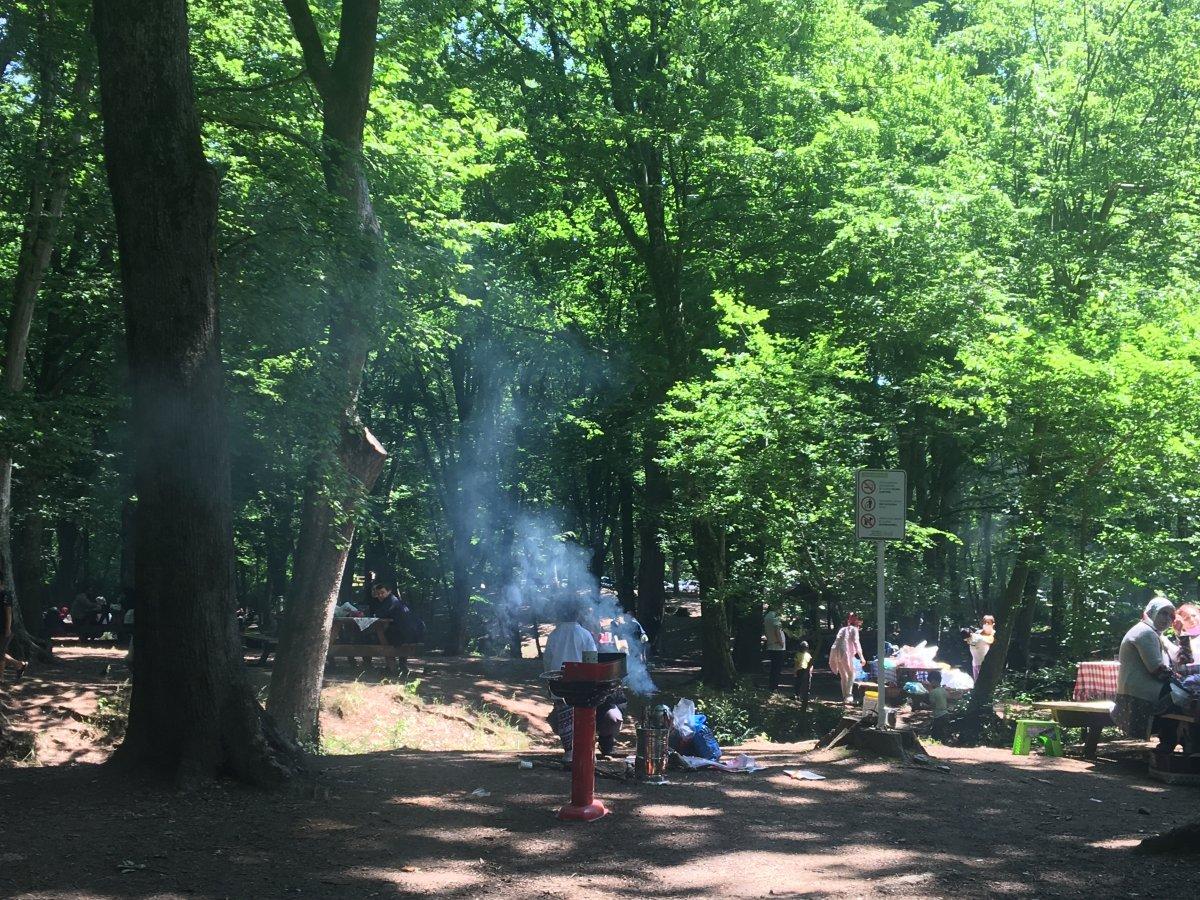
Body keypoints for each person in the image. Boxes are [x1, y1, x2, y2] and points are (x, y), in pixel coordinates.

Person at [543, 598, 623, 763]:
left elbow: (548, 660)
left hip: (560, 683)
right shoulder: (584, 634)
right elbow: (591, 660)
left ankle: (569, 751)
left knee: (565, 717)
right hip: (582, 684)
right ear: (578, 614)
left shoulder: (554, 635)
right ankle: (586, 749)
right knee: (583, 717)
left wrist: (550, 680)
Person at [1114, 597, 1176, 754]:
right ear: (1152, 612)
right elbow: (1157, 670)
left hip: (1138, 686)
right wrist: (1180, 679)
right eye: (1163, 613)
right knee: (1182, 698)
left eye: (1171, 615)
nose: (1167, 618)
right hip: (1140, 690)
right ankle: (1171, 743)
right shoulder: (1145, 633)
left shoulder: (1152, 632)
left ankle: (1170, 742)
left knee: (1183, 694)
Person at [829, 613, 865, 705]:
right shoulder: (854, 630)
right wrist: (862, 657)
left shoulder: (843, 629)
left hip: (835, 651)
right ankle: (849, 696)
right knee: (852, 674)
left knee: (844, 676)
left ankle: (845, 697)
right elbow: (856, 643)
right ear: (858, 622)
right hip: (843, 652)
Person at [1, 575, 27, 681]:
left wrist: (8, 628)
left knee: (0, 652)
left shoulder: (5, 595)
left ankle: (2, 676)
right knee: (1, 652)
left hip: (4, 628)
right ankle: (19, 665)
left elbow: (8, 612)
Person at [764, 605, 787, 691]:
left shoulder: (767, 616)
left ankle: (772, 686)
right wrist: (781, 642)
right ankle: (774, 687)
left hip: (771, 644)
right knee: (777, 668)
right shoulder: (775, 616)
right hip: (778, 647)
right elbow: (777, 630)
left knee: (773, 667)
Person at [966, 615, 995, 680]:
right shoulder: (978, 632)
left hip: (985, 665)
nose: (986, 624)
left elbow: (991, 641)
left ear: (993, 624)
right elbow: (971, 642)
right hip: (975, 663)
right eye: (984, 622)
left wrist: (981, 638)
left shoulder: (994, 634)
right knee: (977, 684)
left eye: (988, 622)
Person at [927, 670, 951, 741]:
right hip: (946, 714)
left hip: (938, 716)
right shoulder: (944, 690)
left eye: (930, 682)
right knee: (944, 735)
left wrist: (924, 705)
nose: (930, 683)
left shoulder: (932, 692)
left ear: (933, 681)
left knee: (935, 736)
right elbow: (948, 698)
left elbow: (933, 705)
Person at [793, 640, 814, 711]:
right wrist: (795, 671)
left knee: (805, 684)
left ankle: (803, 696)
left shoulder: (808, 655)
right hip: (800, 670)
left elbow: (811, 664)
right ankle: (798, 695)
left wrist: (810, 671)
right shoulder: (798, 654)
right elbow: (796, 663)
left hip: (806, 671)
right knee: (799, 683)